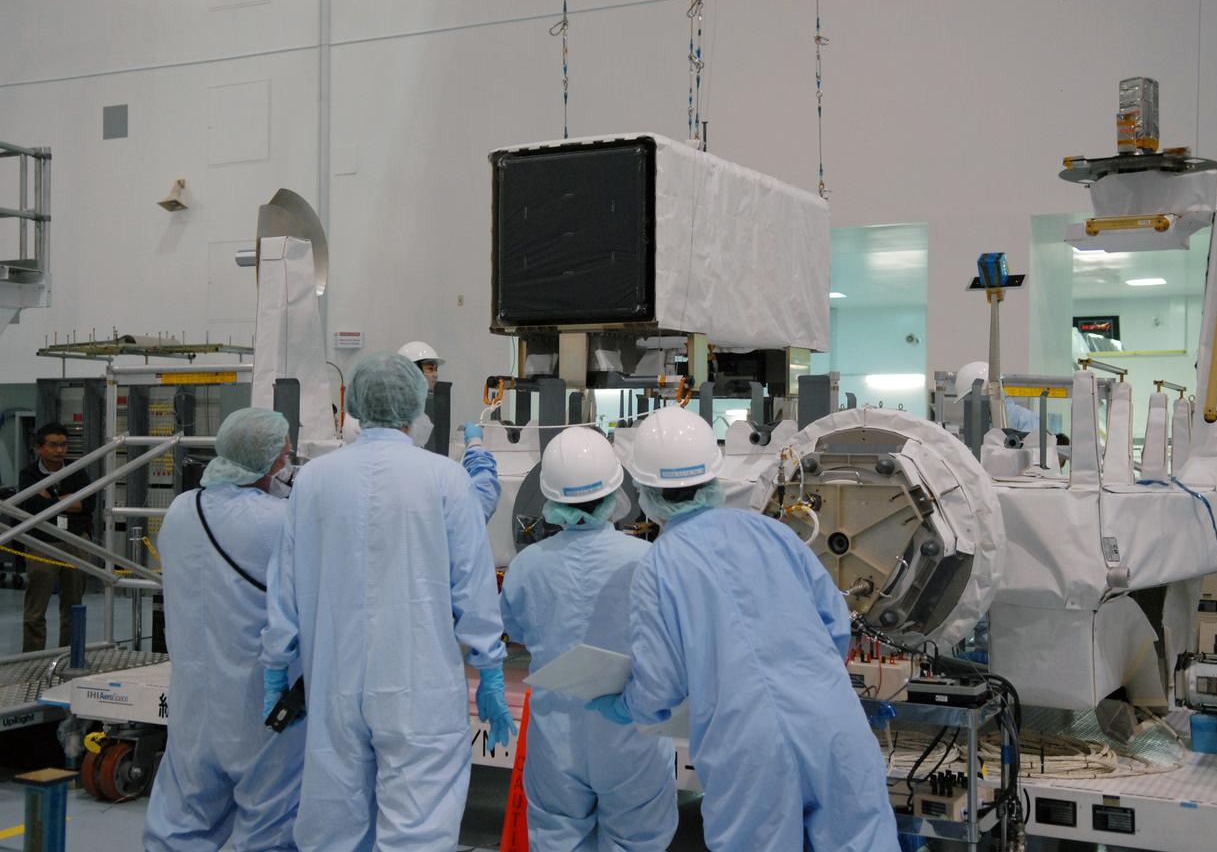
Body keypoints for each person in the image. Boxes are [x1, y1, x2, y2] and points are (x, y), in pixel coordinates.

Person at [586, 407, 898, 851]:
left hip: (749, 748)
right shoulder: (773, 533)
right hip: (832, 724)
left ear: (645, 492)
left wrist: (627, 707)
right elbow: (834, 626)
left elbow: (659, 682)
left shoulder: (660, 565)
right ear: (715, 476)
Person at [261, 352, 515, 852]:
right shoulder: (446, 478)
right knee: (418, 828)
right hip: (419, 686)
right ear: (416, 406)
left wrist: (275, 667)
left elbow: (285, 582)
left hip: (334, 681)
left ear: (355, 405)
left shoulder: (313, 480)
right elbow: (473, 584)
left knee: (333, 829)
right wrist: (489, 666)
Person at [500, 427, 677, 852]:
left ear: (549, 498)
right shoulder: (649, 560)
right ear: (617, 491)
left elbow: (517, 633)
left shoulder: (527, 566)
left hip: (557, 737)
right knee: (637, 841)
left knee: (558, 839)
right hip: (632, 733)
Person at [144, 408, 303, 852]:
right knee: (270, 821)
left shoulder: (181, 510)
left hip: (194, 698)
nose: (289, 465)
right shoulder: (279, 521)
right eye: (285, 456)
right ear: (267, 461)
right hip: (262, 700)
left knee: (183, 815)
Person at [341, 340, 499, 520]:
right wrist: (476, 449)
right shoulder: (437, 475)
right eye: (430, 368)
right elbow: (474, 510)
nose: (435, 375)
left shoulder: (322, 475)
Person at [19, 423, 94, 652]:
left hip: (75, 541)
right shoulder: (28, 474)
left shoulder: (77, 470)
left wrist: (49, 501)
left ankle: (70, 656)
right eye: (53, 445)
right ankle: (32, 659)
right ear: (39, 448)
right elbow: (33, 506)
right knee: (35, 610)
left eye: (63, 445)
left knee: (73, 607)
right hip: (41, 543)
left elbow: (88, 504)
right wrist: (68, 501)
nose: (59, 450)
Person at [955, 360, 1040, 433]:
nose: (970, 405)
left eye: (971, 398)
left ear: (988, 390)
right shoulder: (980, 422)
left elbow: (1033, 446)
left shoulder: (1026, 419)